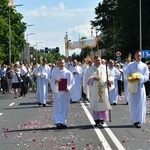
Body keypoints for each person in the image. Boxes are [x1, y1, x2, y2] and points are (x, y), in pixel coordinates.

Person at [83, 56, 113, 126]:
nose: (98, 62)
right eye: (96, 60)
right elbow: (85, 80)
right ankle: (97, 119)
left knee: (103, 102)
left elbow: (111, 76)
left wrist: (109, 80)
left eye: (99, 60)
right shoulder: (89, 69)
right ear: (93, 61)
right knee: (96, 103)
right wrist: (93, 78)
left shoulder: (104, 68)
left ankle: (102, 118)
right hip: (95, 89)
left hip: (103, 87)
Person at [126, 50, 149, 128]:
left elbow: (146, 76)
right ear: (134, 56)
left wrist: (140, 77)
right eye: (137, 55)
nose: (138, 57)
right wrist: (132, 77)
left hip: (140, 86)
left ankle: (139, 120)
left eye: (140, 55)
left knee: (140, 103)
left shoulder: (144, 66)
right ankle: (134, 120)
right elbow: (126, 74)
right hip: (133, 86)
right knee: (133, 103)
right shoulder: (130, 65)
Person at [50, 58, 75, 129]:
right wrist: (55, 81)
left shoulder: (68, 73)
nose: (61, 64)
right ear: (57, 64)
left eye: (62, 63)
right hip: (57, 92)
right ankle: (58, 122)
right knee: (58, 107)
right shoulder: (55, 73)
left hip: (65, 93)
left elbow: (72, 83)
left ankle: (63, 121)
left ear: (64, 64)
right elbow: (51, 82)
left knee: (64, 107)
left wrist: (69, 88)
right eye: (60, 63)